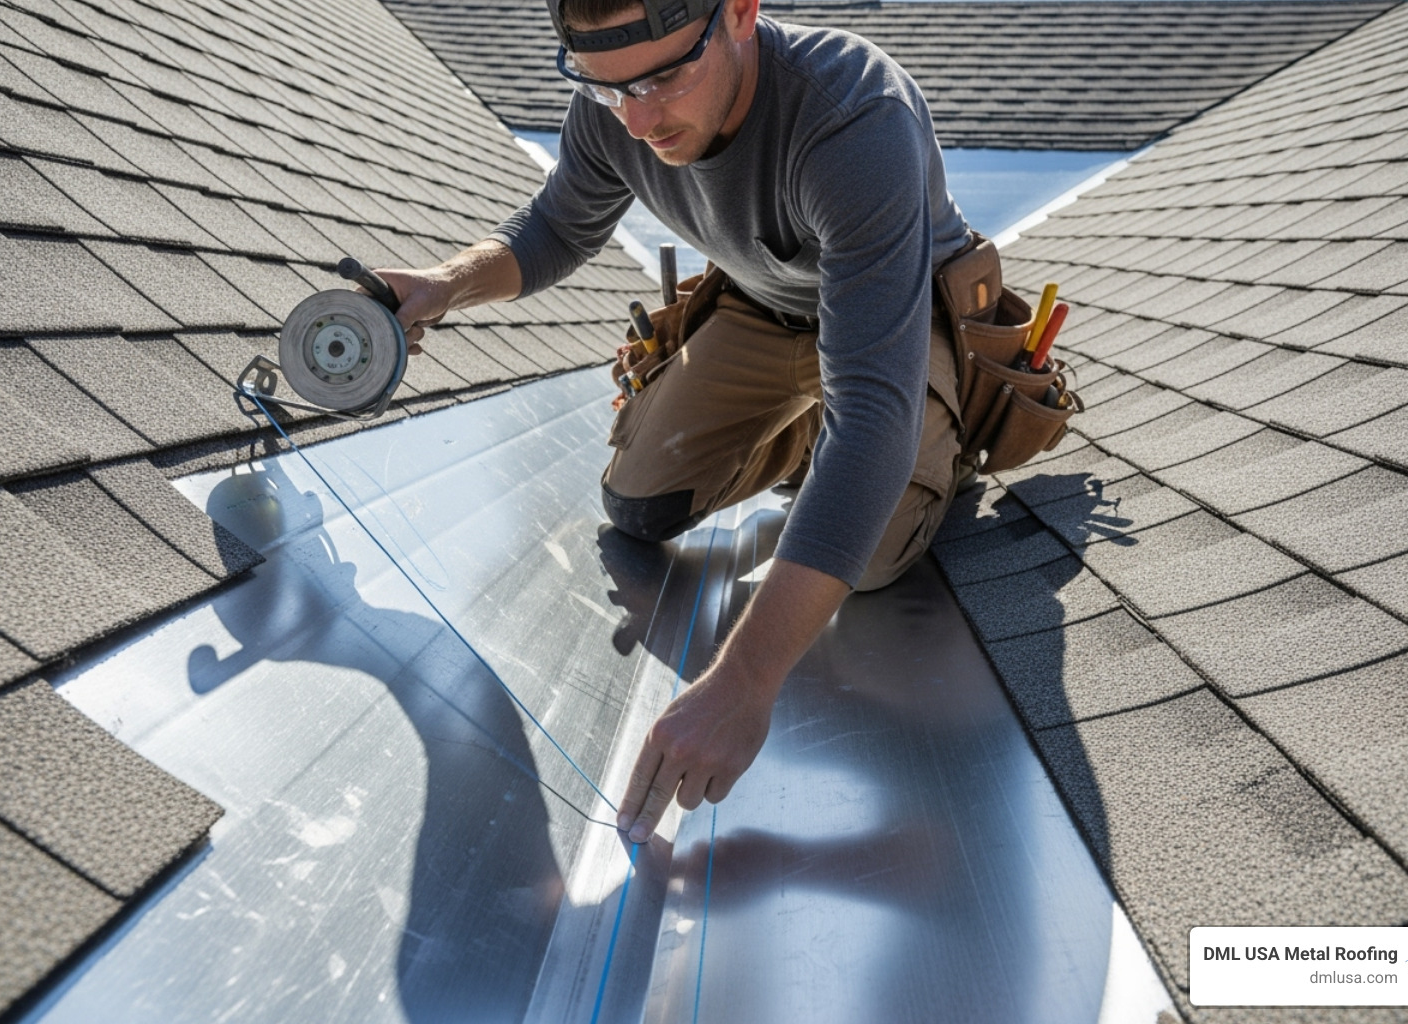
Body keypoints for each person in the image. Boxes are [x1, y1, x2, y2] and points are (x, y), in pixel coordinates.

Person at [372, 0, 973, 844]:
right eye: (608, 88)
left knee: (866, 561)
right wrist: (444, 284)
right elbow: (555, 228)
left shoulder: (853, 117)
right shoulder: (613, 96)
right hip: (767, 308)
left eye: (665, 78)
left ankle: (931, 445)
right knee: (638, 505)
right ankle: (810, 442)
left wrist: (746, 681)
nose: (639, 118)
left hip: (900, 328)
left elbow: (873, 407)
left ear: (739, 12)